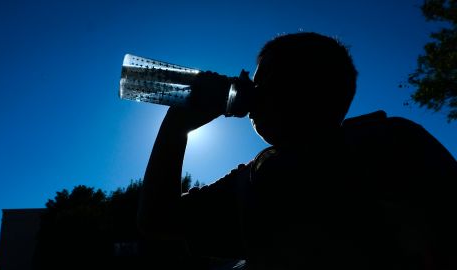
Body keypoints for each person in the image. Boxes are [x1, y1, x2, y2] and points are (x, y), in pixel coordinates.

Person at [136, 32, 457, 269]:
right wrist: (178, 124)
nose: (251, 91)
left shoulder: (387, 142)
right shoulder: (251, 179)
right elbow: (159, 222)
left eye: (266, 82)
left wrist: (177, 126)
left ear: (311, 88)